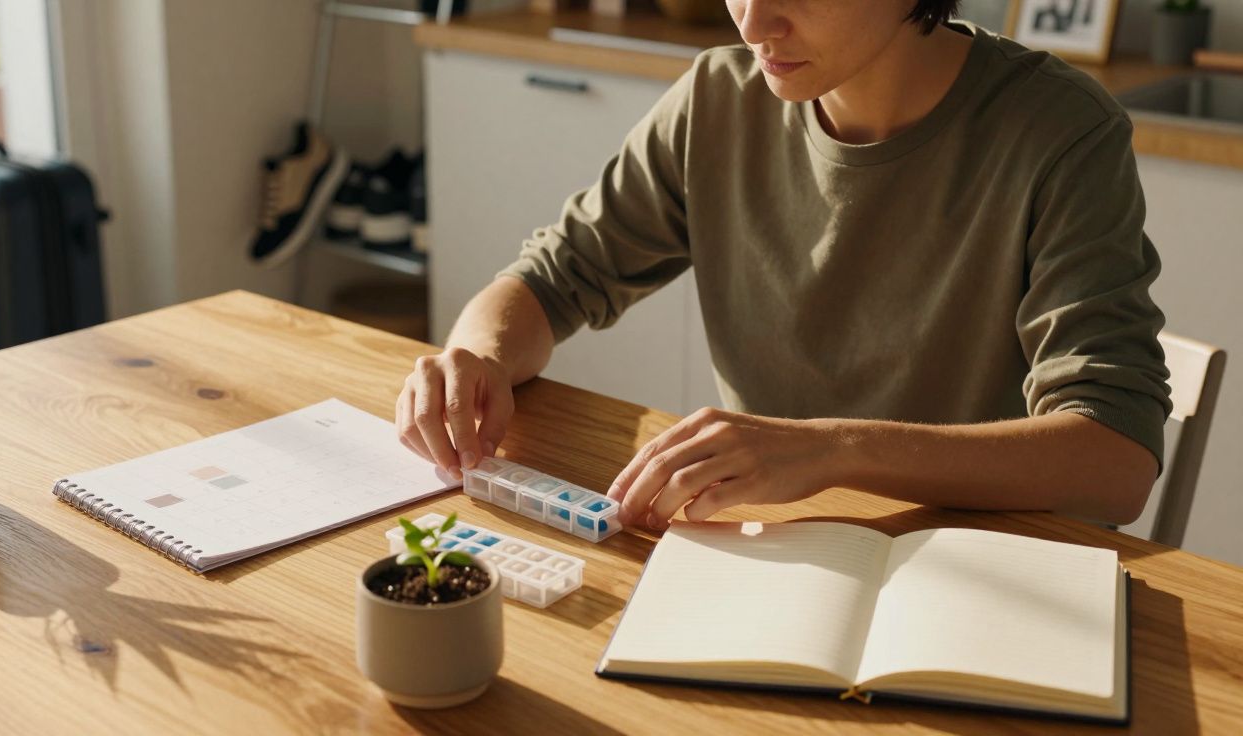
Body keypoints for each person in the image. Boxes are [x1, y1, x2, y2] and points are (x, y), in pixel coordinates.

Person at [395, 0, 1171, 531]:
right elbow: (554, 278)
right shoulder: (717, 99)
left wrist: (831, 449)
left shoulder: (1059, 132)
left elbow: (1114, 459)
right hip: (769, 557)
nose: (755, 21)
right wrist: (476, 358)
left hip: (976, 577)